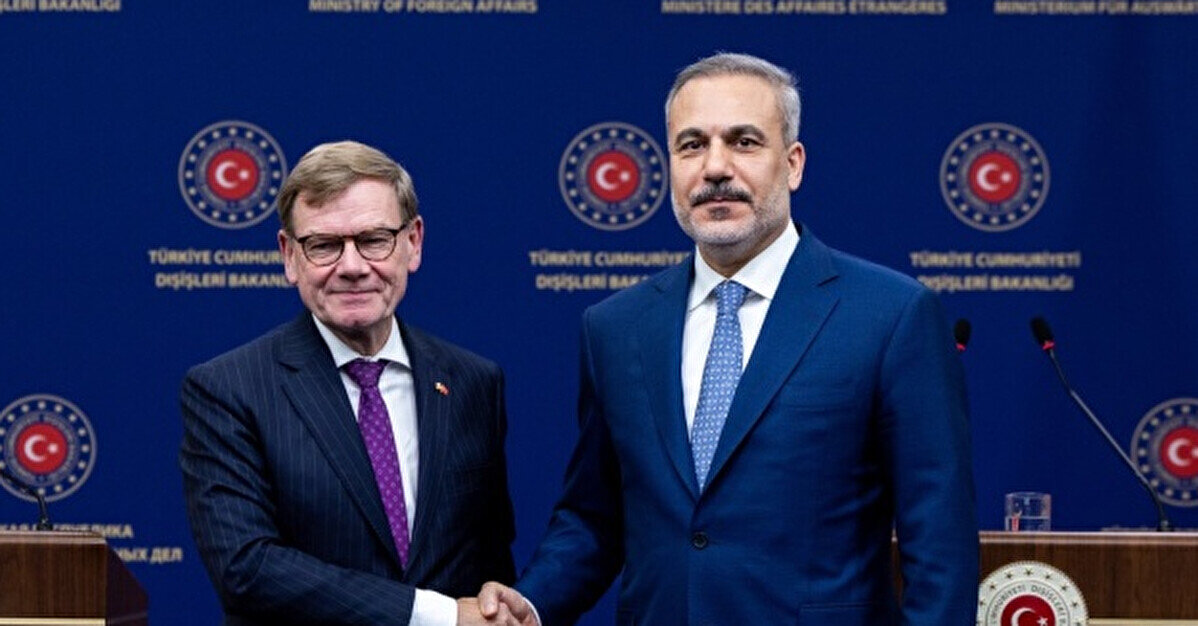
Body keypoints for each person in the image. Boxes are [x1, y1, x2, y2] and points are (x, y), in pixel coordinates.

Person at [478, 53, 978, 625]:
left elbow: (940, 546)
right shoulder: (615, 327)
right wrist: (532, 603)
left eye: (744, 142)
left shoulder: (890, 315)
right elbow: (596, 518)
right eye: (692, 145)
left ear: (793, 164)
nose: (715, 168)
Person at [180, 141, 517, 625]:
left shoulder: (472, 382)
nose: (353, 266)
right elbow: (247, 569)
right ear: (289, 256)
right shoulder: (228, 390)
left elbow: (488, 557)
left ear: (413, 242)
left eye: (374, 239)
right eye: (324, 245)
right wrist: (435, 616)